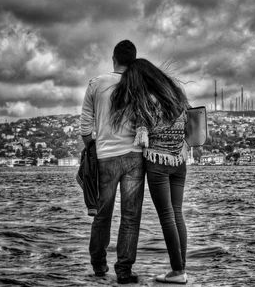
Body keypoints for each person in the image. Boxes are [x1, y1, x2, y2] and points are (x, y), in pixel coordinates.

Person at [110, 58, 190, 284]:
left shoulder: (145, 100)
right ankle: (181, 269)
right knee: (177, 213)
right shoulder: (175, 92)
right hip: (180, 160)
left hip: (158, 162)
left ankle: (177, 272)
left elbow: (141, 136)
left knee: (167, 216)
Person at [80, 40, 145, 284]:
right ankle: (124, 271)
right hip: (134, 158)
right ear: (134, 61)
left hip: (105, 157)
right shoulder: (139, 84)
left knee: (102, 214)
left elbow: (85, 126)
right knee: (131, 216)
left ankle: (98, 268)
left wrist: (91, 146)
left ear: (113, 59)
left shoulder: (96, 83)